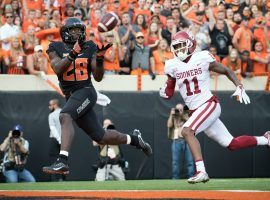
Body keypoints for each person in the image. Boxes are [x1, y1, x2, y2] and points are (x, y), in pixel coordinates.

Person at [42, 17, 152, 175]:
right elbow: (58, 69)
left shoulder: (89, 46)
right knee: (102, 137)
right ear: (65, 32)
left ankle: (62, 161)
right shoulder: (55, 46)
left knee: (65, 115)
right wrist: (73, 53)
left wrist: (100, 59)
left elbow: (98, 76)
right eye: (74, 30)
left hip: (86, 91)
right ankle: (135, 140)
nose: (78, 33)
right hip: (72, 95)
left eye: (80, 30)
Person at [159, 30, 270, 184]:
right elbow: (169, 90)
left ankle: (201, 171)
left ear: (191, 44)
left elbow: (226, 70)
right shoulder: (172, 65)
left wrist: (239, 85)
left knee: (186, 131)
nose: (179, 50)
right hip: (196, 111)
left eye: (182, 46)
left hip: (208, 104)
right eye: (176, 47)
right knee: (231, 144)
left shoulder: (201, 57)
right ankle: (265, 139)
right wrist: (165, 90)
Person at [167, 103, 194, 179]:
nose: (179, 111)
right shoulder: (174, 117)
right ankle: (175, 178)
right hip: (176, 141)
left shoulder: (186, 115)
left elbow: (191, 123)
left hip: (187, 141)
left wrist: (182, 115)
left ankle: (191, 177)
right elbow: (169, 125)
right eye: (177, 109)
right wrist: (171, 115)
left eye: (180, 109)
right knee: (175, 162)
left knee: (190, 162)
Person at [48, 99, 65, 181]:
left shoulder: (51, 115)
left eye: (50, 105)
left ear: (55, 105)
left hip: (55, 140)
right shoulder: (65, 113)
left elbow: (53, 128)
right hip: (65, 140)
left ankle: (56, 180)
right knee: (64, 160)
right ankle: (63, 179)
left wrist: (59, 139)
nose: (49, 107)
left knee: (54, 160)